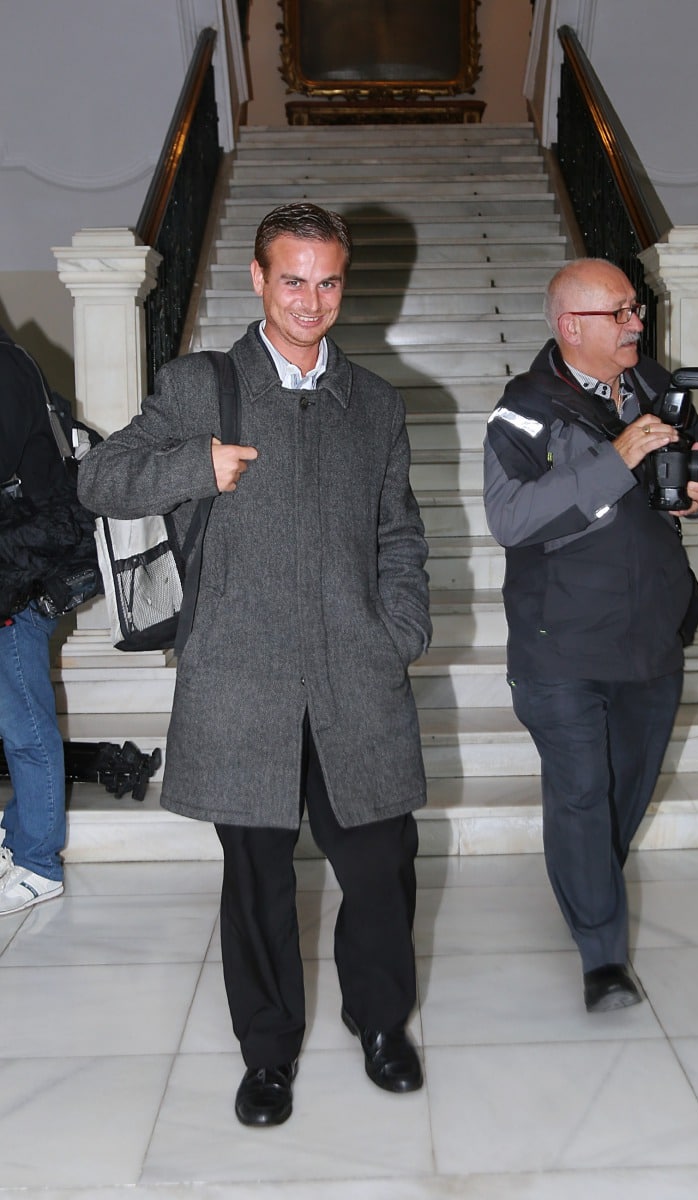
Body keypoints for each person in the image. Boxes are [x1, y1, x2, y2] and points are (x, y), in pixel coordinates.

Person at [78, 203, 432, 1126]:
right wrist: (194, 466)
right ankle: (268, 1053)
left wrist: (399, 630)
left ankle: (380, 1020)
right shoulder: (203, 386)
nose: (311, 300)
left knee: (381, 861)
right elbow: (99, 479)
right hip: (243, 676)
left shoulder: (376, 404)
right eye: (293, 280)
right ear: (259, 279)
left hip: (356, 672)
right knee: (257, 875)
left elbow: (399, 531)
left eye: (328, 281)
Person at [483, 258, 698, 1013]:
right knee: (583, 791)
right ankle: (602, 957)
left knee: (625, 790)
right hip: (562, 643)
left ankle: (586, 884)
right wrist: (618, 460)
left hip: (651, 634)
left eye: (634, 309)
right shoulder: (524, 409)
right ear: (571, 326)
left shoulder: (653, 385)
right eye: (619, 312)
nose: (636, 322)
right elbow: (511, 519)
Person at [0, 326, 92, 914]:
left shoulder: (5, 370)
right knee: (15, 718)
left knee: (25, 725)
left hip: (24, 577)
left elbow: (29, 489)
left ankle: (38, 863)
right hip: (19, 565)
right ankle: (18, 838)